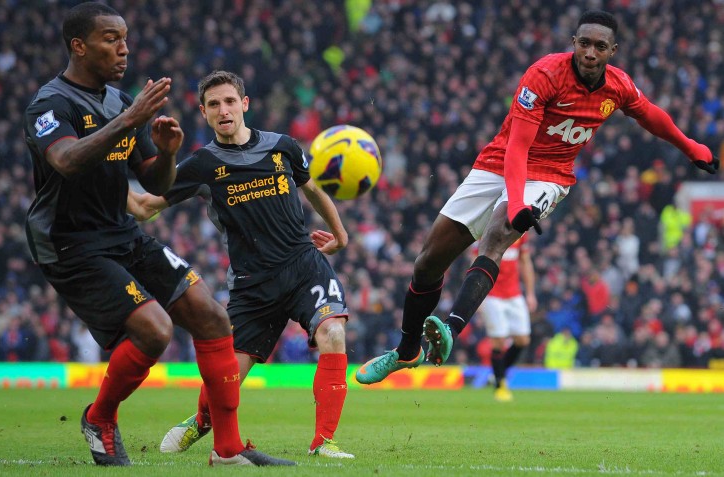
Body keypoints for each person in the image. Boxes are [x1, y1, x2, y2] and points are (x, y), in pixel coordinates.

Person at [356, 9, 718, 385]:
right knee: (427, 263)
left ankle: (449, 329)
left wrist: (692, 147)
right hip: (500, 163)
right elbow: (517, 148)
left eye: (599, 46)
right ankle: (407, 350)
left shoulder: (619, 87)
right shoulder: (544, 75)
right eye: (583, 43)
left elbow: (650, 115)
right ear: (573, 44)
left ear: (613, 50)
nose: (590, 53)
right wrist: (515, 202)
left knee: (496, 237)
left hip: (551, 175)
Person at [23, 3, 292, 467]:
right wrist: (129, 122)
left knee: (211, 316)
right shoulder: (51, 104)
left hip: (122, 235)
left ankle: (228, 449)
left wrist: (166, 154)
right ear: (79, 46)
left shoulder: (118, 101)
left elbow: (155, 183)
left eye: (125, 38)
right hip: (71, 244)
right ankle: (99, 417)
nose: (124, 49)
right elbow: (65, 161)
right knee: (155, 331)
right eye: (111, 39)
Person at [126, 70, 354, 459]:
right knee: (227, 377)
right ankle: (201, 422)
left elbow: (312, 188)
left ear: (244, 104)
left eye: (230, 101)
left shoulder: (283, 147)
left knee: (333, 332)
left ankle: (324, 442)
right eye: (214, 104)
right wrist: (101, 182)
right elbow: (146, 207)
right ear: (204, 112)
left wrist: (341, 235)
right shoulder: (201, 165)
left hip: (304, 266)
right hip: (253, 285)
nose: (223, 110)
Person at [474, 235, 536, 401]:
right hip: (491, 293)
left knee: (522, 340)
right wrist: (476, 294)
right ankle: (500, 385)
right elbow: (475, 262)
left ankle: (497, 374)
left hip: (514, 294)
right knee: (499, 341)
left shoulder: (521, 233)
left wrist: (530, 293)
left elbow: (525, 261)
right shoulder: (487, 231)